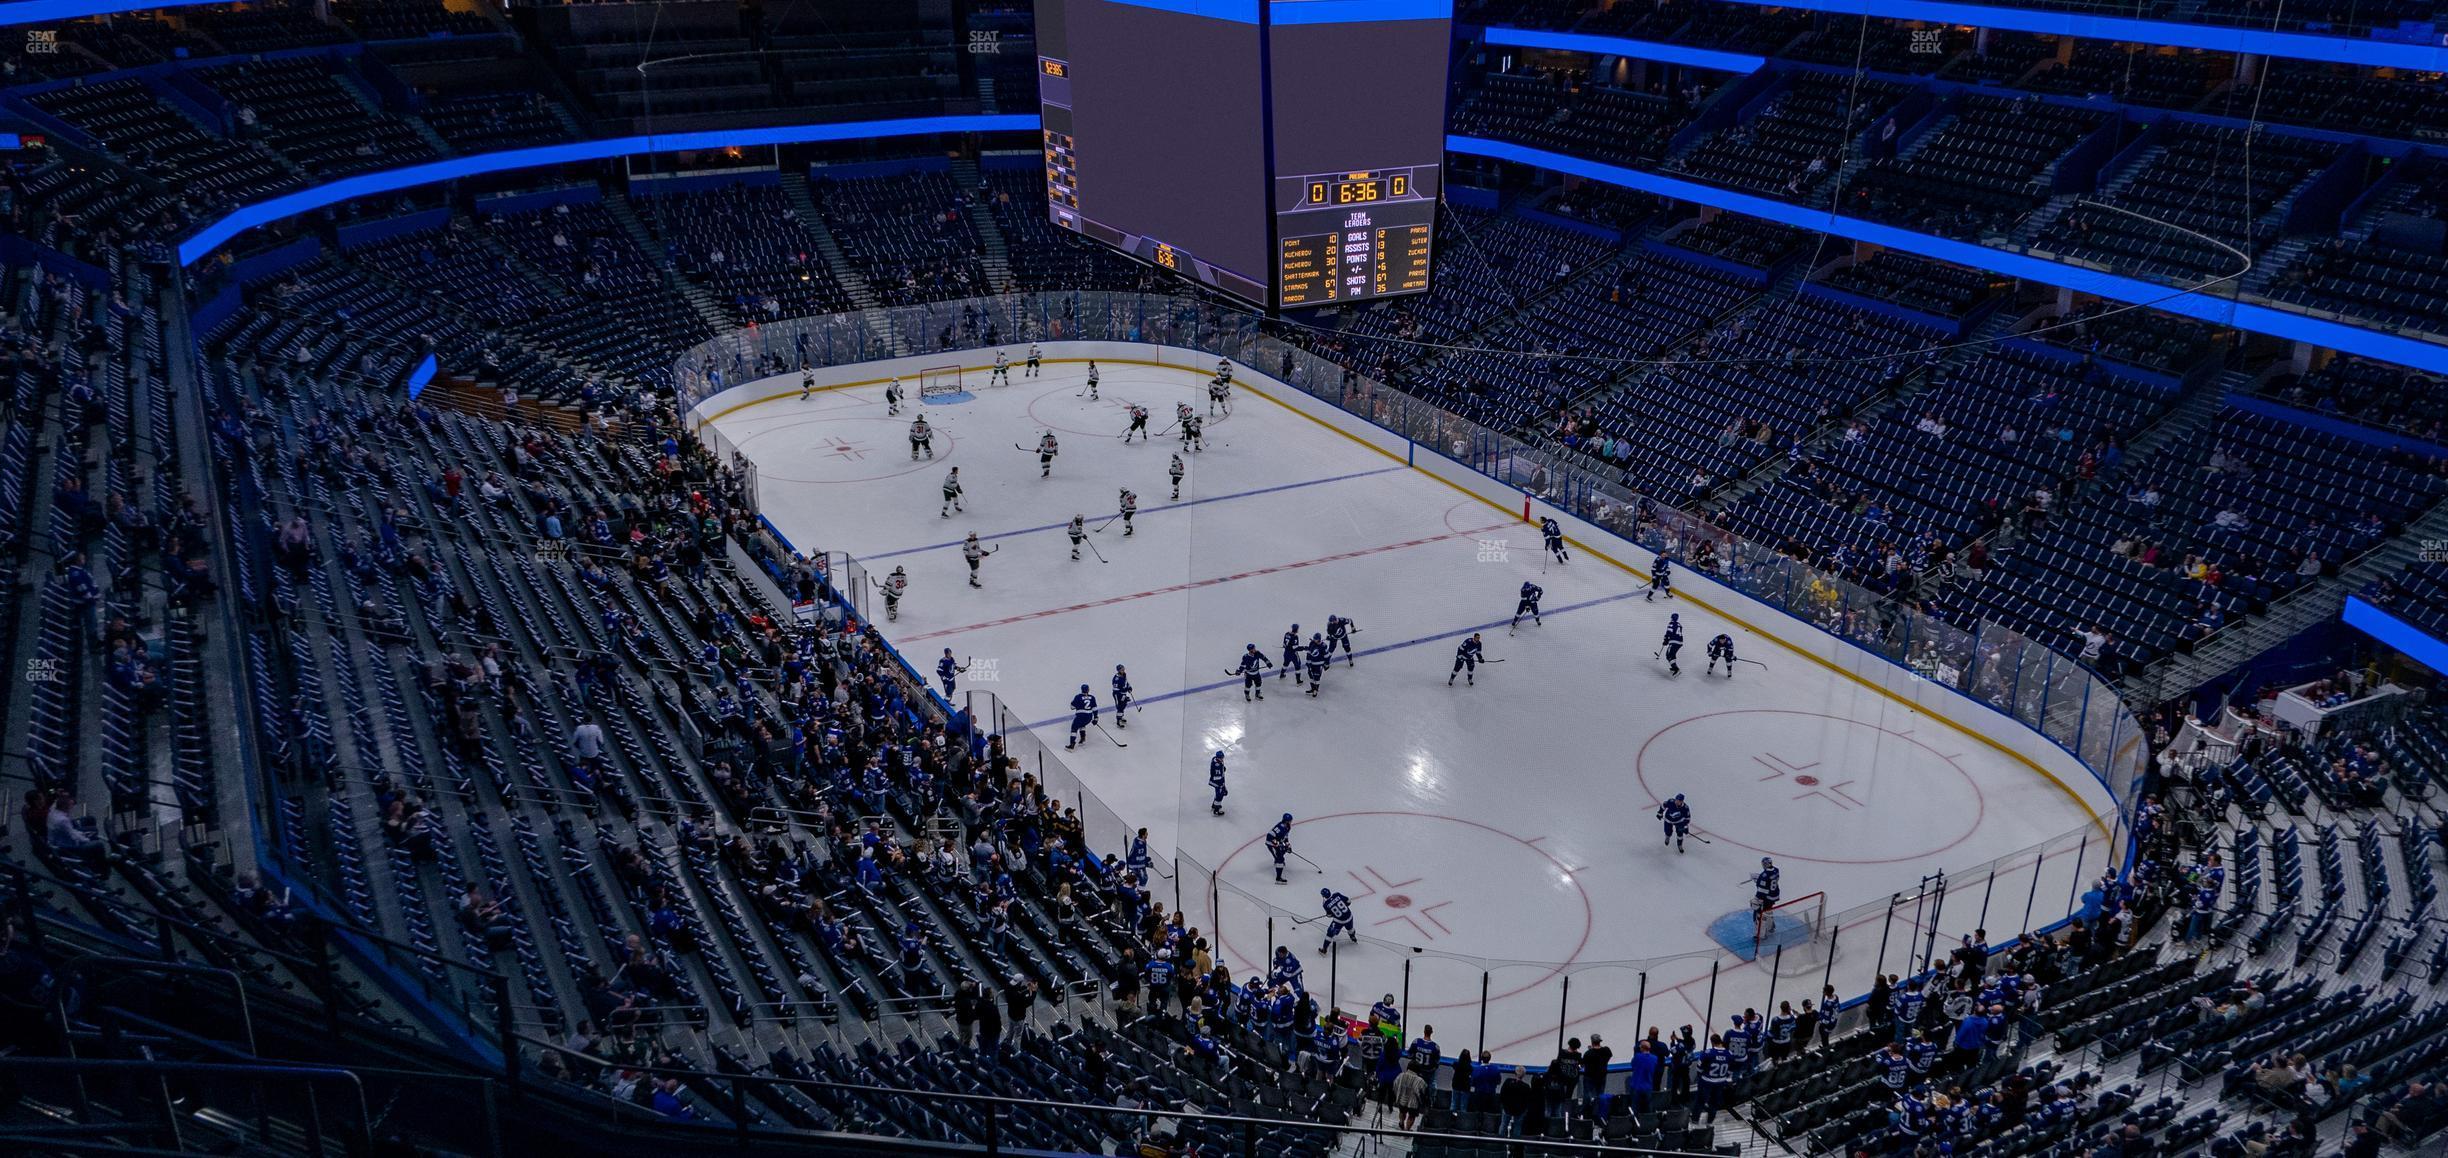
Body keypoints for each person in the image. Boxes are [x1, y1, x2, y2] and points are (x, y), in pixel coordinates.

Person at [1393, 1063, 1428, 1129]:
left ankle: (1401, 1122)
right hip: (1413, 1103)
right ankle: (1407, 1130)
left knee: (1402, 1112)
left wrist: (1397, 1096)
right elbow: (1423, 1093)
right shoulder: (1421, 1081)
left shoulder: (1401, 1075)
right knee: (1411, 1117)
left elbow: (1395, 1085)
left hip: (1402, 1100)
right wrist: (1422, 1103)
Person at [1208, 750, 1229, 815]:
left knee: (1219, 793)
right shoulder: (1217, 766)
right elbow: (1218, 777)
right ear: (1218, 758)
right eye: (1221, 758)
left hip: (1218, 781)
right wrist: (1222, 785)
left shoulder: (1215, 759)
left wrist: (1223, 768)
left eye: (1223, 757)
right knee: (1220, 795)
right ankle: (1216, 810)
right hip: (1217, 782)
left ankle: (1214, 805)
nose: (1222, 759)